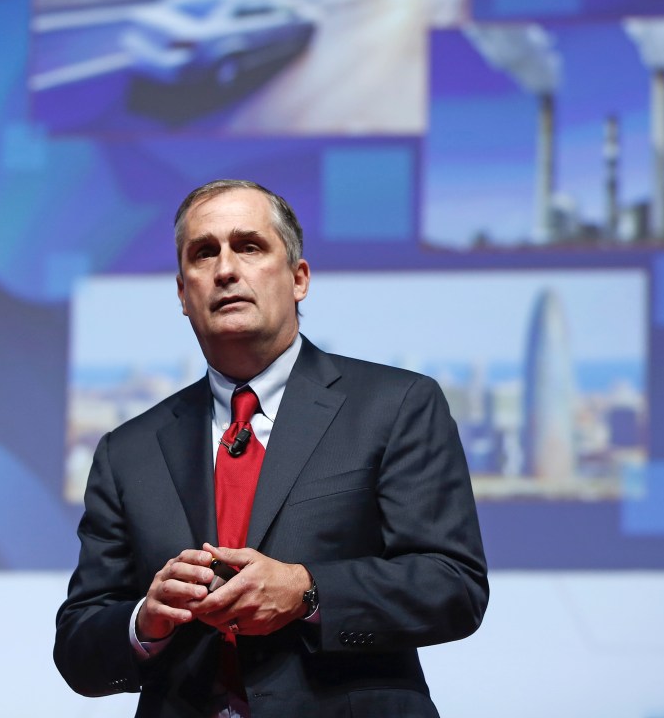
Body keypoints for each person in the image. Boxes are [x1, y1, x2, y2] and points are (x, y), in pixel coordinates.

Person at [54, 179, 488, 717]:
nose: (226, 269)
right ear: (183, 294)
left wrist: (308, 591)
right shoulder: (129, 451)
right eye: (204, 253)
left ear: (299, 278)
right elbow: (78, 646)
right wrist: (146, 619)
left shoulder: (396, 405)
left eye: (250, 246)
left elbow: (453, 587)